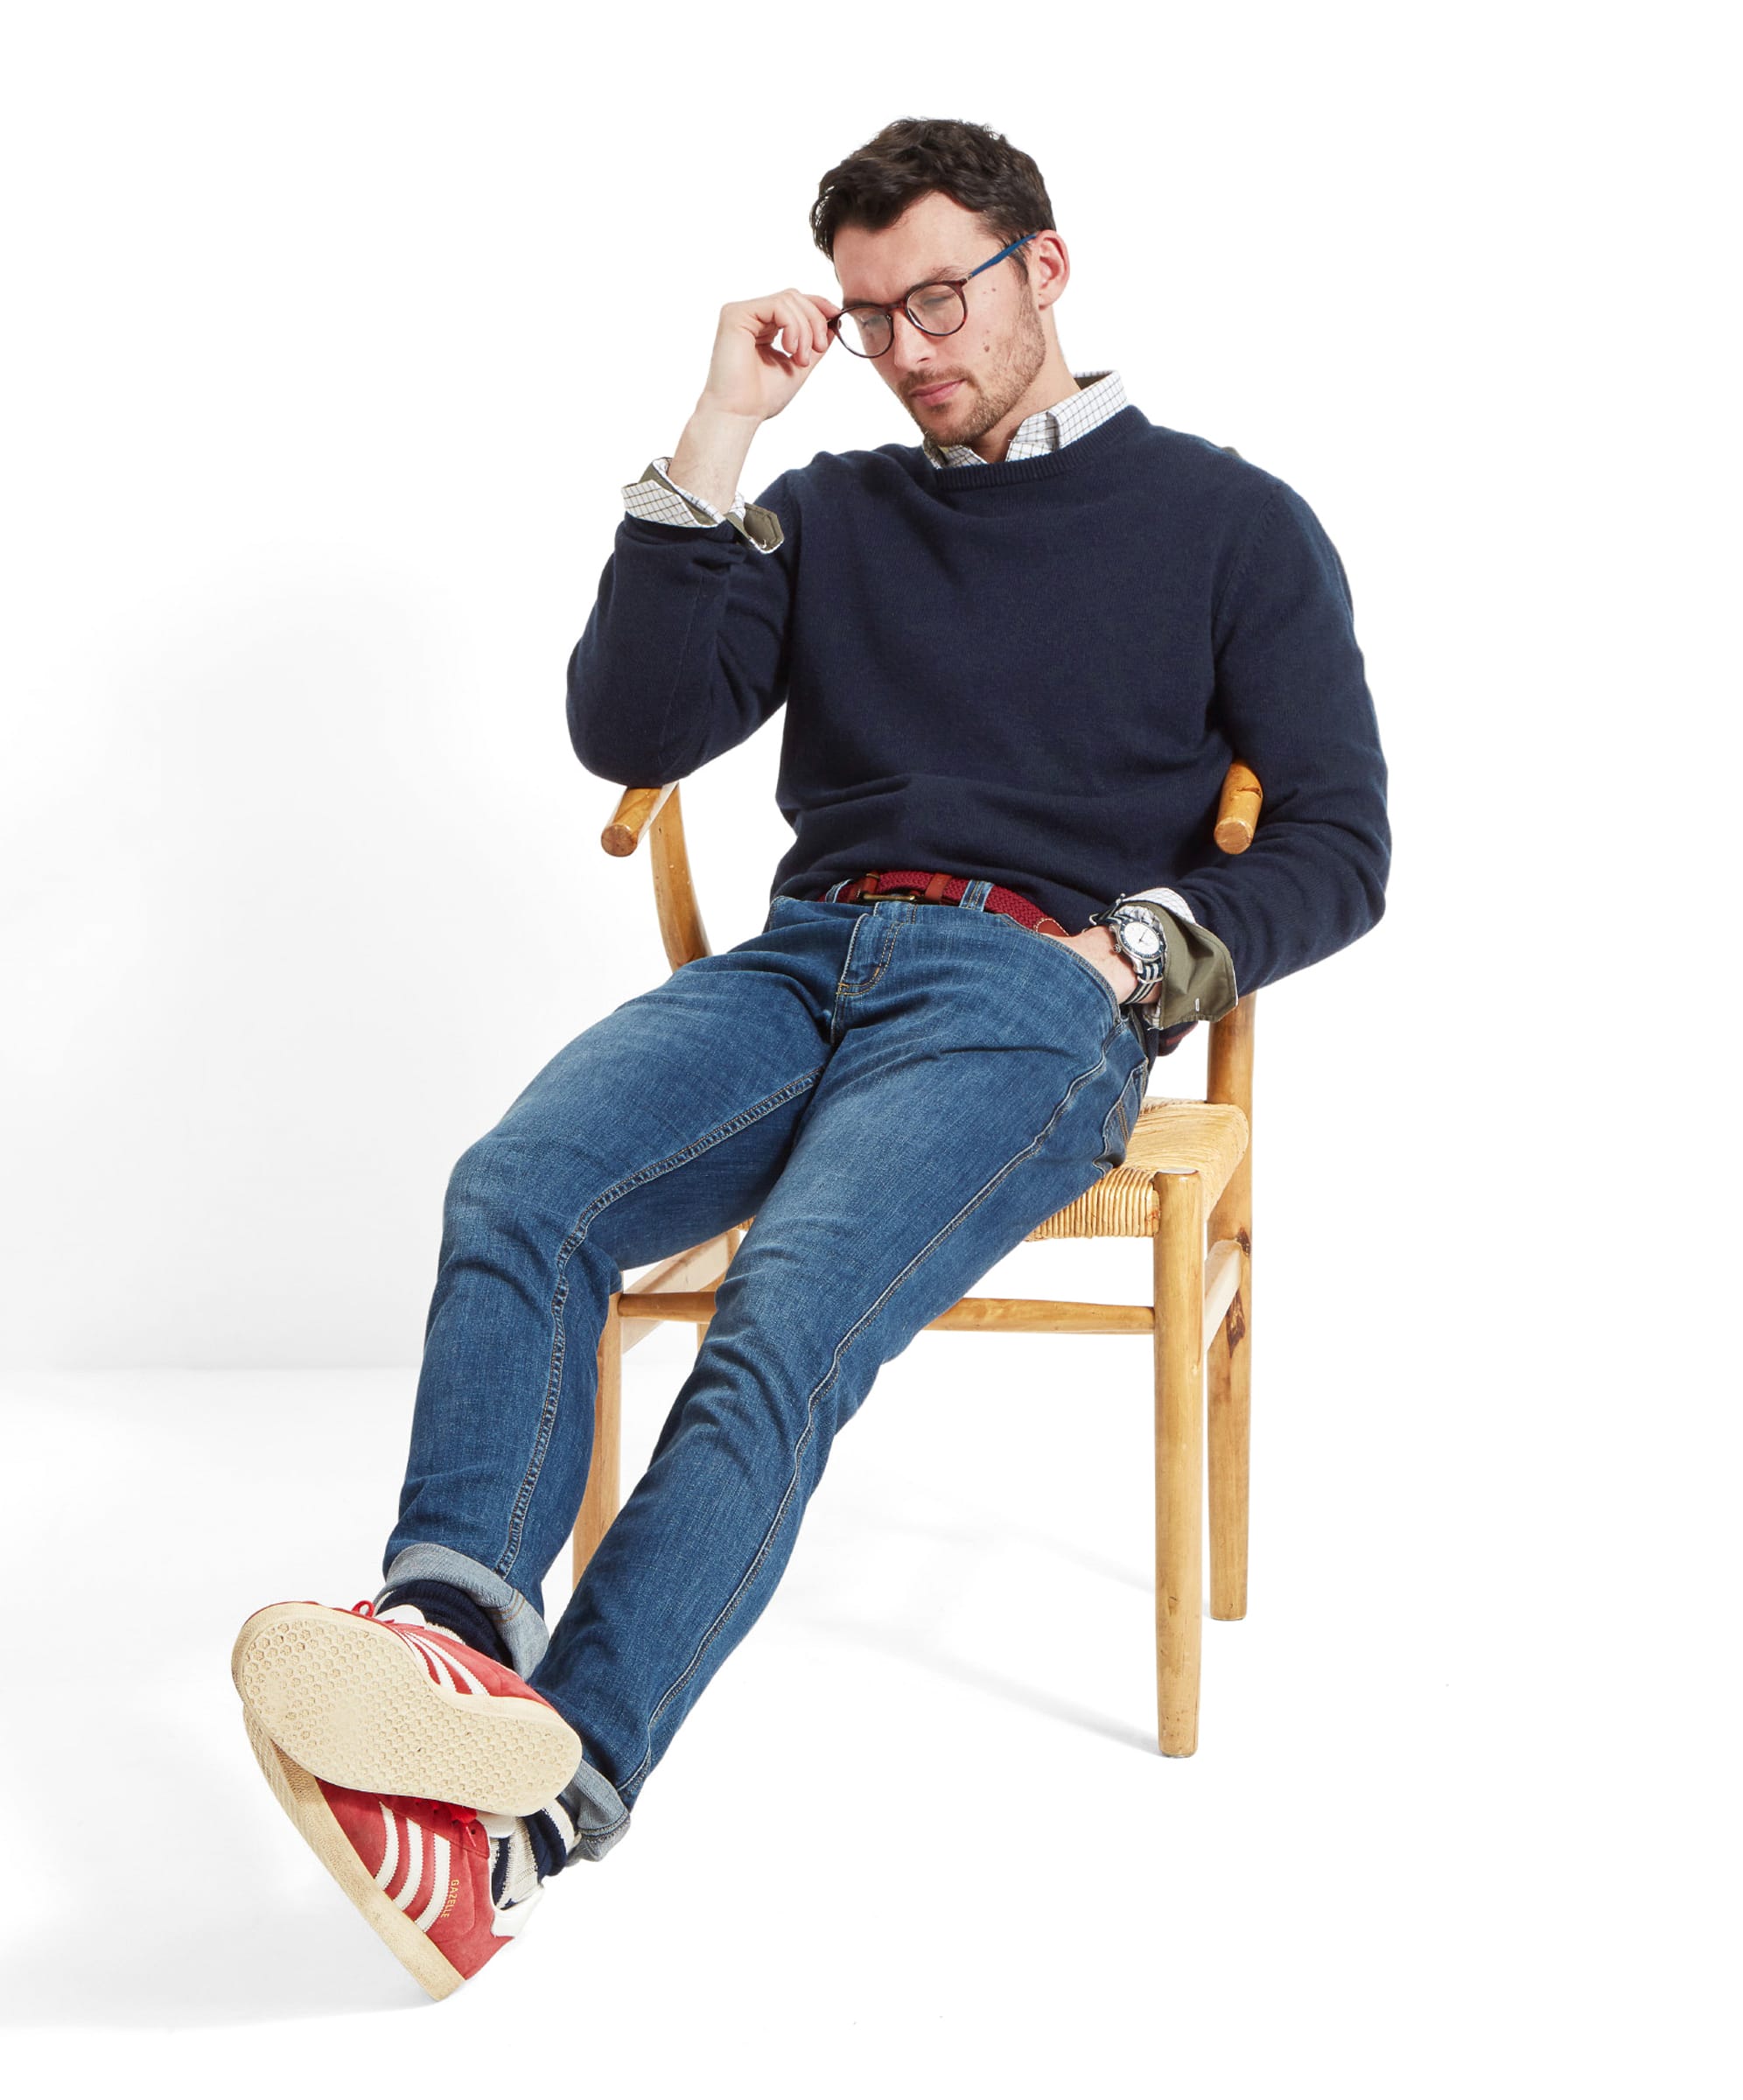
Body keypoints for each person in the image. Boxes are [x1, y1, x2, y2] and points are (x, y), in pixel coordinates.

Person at [230, 115, 1390, 1999]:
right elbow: (635, 725)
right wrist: (720, 435)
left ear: (1048, 268)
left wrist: (1144, 956)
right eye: (871, 316)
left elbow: (1339, 842)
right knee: (520, 1188)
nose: (913, 346)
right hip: (806, 962)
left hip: (1029, 992)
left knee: (782, 1320)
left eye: (942, 295)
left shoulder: (1233, 524)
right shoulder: (835, 509)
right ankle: (445, 1653)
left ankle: (532, 1817)